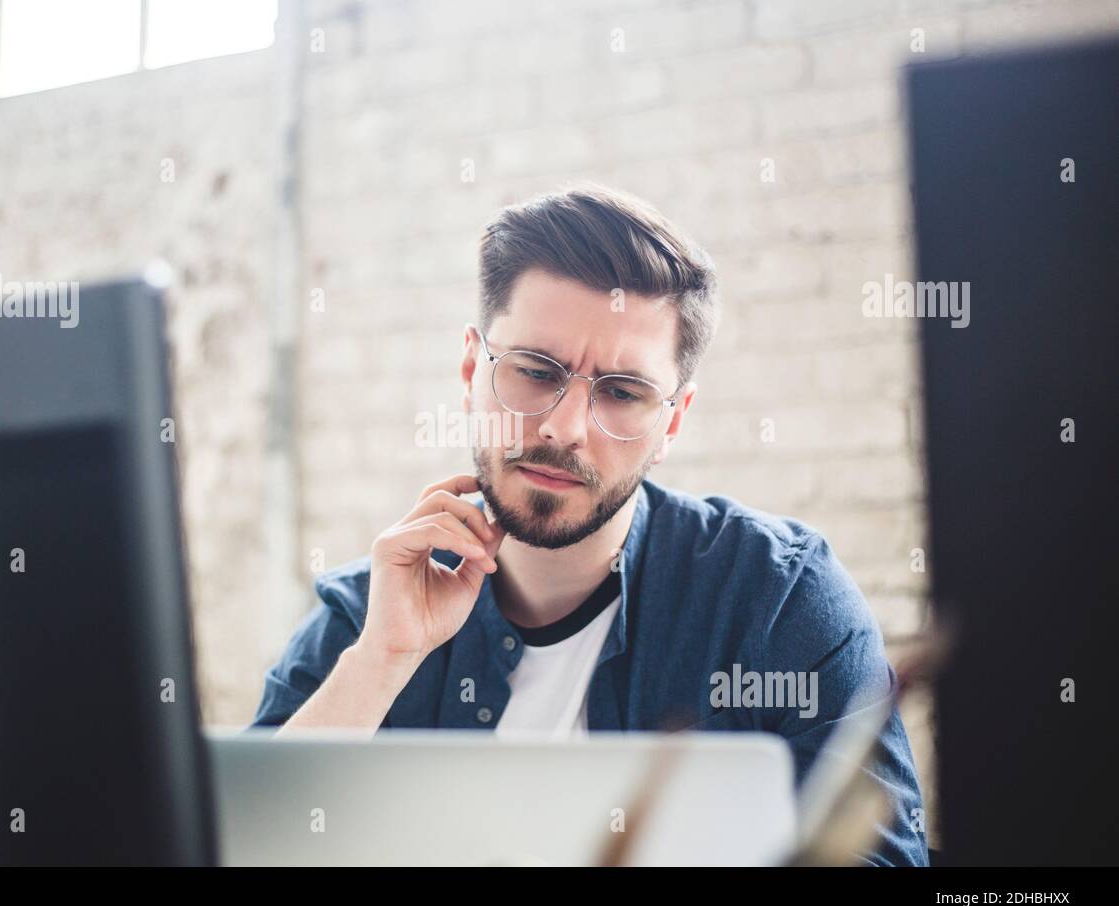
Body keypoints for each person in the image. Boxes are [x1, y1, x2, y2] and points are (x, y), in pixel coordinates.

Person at [252, 183, 929, 866]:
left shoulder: (777, 600)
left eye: (622, 392)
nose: (563, 427)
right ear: (470, 371)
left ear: (671, 421)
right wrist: (381, 662)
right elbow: (246, 845)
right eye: (535, 371)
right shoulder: (369, 617)